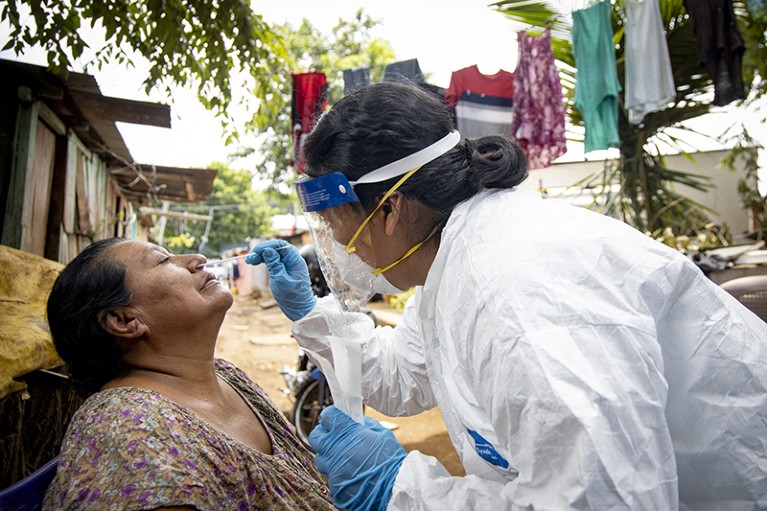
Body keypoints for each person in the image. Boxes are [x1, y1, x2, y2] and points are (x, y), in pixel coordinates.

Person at [246, 82, 767, 511]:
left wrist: (401, 490)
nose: (336, 243)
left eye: (336, 221)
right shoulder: (453, 263)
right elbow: (405, 377)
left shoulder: (515, 289)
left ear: (390, 208)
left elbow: (601, 500)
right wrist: (312, 314)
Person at [43, 238, 335, 511]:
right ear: (125, 320)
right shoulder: (131, 434)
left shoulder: (228, 375)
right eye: (163, 260)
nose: (198, 259)